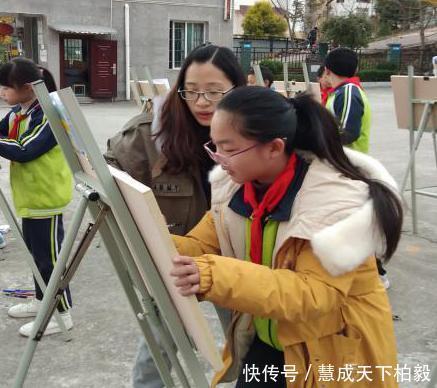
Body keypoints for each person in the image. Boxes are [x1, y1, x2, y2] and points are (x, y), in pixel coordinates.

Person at [170, 86, 403, 387]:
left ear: (274, 148)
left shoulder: (333, 205)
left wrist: (216, 275)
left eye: (229, 149)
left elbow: (312, 294)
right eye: (214, 146)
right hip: (270, 340)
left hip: (332, 353)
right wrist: (148, 232)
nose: (220, 159)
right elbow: (201, 245)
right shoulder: (236, 189)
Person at [104, 43, 246, 388]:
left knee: (248, 342)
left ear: (237, 90)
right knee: (158, 347)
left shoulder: (254, 129)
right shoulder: (151, 134)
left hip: (236, 257)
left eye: (214, 93)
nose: (201, 103)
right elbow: (108, 171)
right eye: (192, 91)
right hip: (178, 259)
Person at [0, 57, 73, 336]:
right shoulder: (21, 110)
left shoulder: (49, 112)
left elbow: (25, 148)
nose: (2, 93)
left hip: (46, 196)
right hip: (30, 198)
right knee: (36, 255)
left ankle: (63, 314)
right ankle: (42, 301)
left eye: (7, 88)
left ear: (28, 87)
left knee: (51, 260)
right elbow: (4, 133)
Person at [324, 48, 390, 288]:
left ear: (327, 70)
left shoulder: (349, 91)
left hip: (350, 168)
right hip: (342, 166)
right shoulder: (340, 92)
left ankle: (377, 273)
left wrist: (317, 138)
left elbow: (348, 131)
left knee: (353, 224)